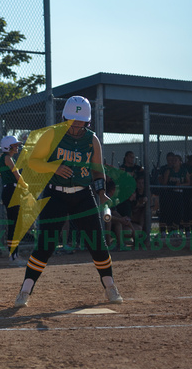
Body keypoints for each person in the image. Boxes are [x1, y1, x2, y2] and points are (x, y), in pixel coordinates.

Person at [14, 95, 123, 307]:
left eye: (79, 122)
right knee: (45, 245)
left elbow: (97, 170)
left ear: (87, 121)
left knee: (97, 244)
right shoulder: (52, 135)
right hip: (55, 194)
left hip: (83, 195)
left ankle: (110, 288)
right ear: (64, 117)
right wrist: (54, 167)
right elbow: (34, 161)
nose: (74, 125)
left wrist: (101, 192)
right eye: (71, 120)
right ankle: (25, 291)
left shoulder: (92, 140)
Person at [0, 135, 29, 264]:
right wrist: (26, 187)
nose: (17, 147)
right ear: (8, 147)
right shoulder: (7, 158)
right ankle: (13, 255)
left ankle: (14, 254)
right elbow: (17, 176)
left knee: (15, 224)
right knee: (15, 225)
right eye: (14, 145)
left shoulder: (4, 158)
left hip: (10, 191)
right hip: (11, 191)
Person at [162, 155, 190, 236]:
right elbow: (164, 183)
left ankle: (174, 229)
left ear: (180, 162)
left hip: (180, 194)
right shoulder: (169, 171)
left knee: (180, 213)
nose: (174, 162)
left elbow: (188, 182)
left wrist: (180, 185)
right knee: (171, 212)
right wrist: (173, 185)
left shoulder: (184, 171)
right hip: (171, 194)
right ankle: (171, 231)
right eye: (173, 160)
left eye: (176, 160)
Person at [158, 152, 175, 237]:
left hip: (174, 194)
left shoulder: (176, 168)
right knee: (163, 212)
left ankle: (171, 230)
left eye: (172, 160)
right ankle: (163, 231)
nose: (170, 162)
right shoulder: (163, 168)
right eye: (168, 160)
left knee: (172, 212)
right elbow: (161, 180)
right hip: (164, 193)